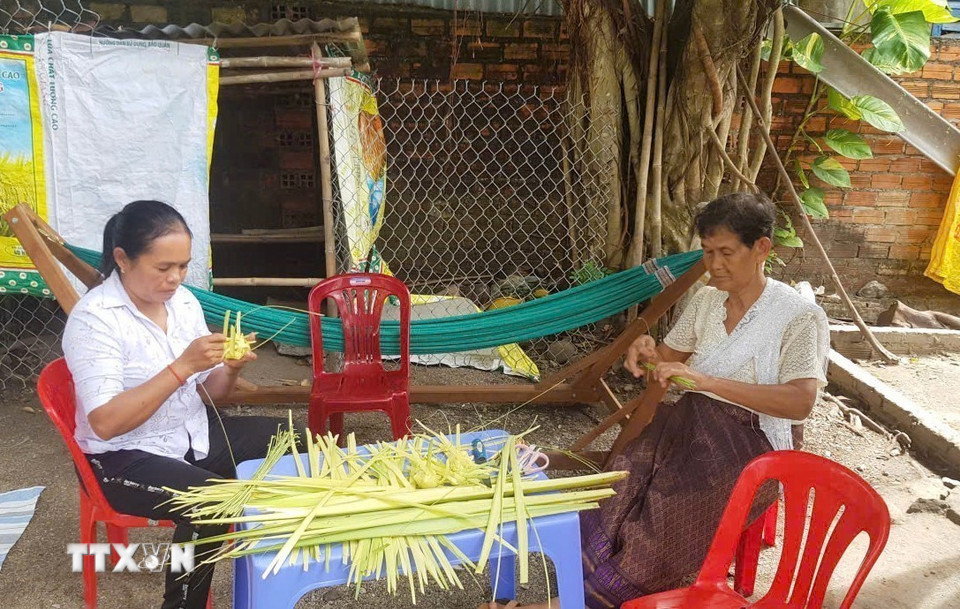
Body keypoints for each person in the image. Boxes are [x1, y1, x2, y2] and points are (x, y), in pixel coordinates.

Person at [481, 192, 829, 609]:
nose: (713, 265)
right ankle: (582, 591)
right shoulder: (706, 301)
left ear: (762, 249)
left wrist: (707, 380)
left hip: (754, 447)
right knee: (623, 476)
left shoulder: (797, 315)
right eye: (706, 252)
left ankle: (588, 601)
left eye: (726, 253)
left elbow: (799, 403)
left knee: (668, 507)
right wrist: (647, 355)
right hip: (690, 423)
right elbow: (667, 364)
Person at [62, 200, 291, 609]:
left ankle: (276, 565)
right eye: (163, 267)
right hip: (121, 458)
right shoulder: (95, 318)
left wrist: (231, 369)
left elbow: (211, 394)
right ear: (123, 259)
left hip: (190, 434)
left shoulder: (183, 302)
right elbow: (106, 423)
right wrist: (182, 366)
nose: (176, 278)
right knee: (211, 502)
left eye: (183, 266)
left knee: (293, 437)